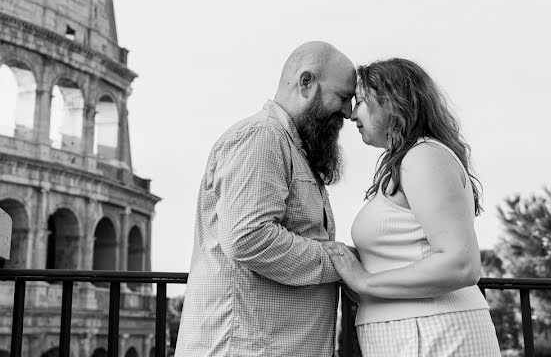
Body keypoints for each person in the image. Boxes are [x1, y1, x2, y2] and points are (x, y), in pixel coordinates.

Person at [175, 41, 357, 357]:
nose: (348, 112)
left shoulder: (291, 146)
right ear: (306, 83)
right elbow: (249, 238)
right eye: (342, 97)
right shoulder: (262, 137)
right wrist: (342, 262)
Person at [322, 58, 500, 356]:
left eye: (362, 101)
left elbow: (461, 264)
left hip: (434, 333)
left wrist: (365, 280)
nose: (352, 114)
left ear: (393, 102)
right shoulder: (410, 160)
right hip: (414, 332)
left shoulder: (423, 157)